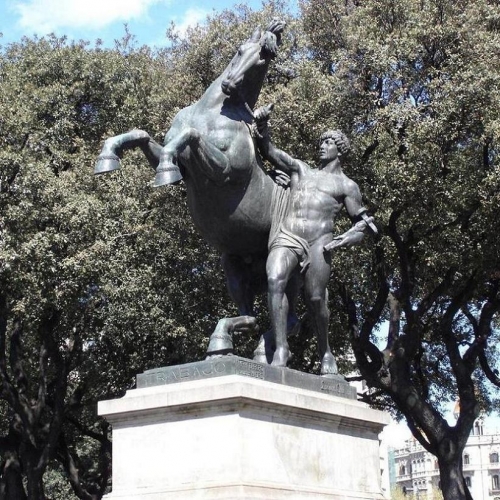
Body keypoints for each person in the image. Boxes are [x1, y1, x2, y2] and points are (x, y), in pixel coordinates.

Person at [254, 104, 377, 375]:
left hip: (320, 242)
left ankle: (326, 351)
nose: (322, 146)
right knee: (275, 280)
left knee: (316, 298)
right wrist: (263, 127)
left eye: (328, 143)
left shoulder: (347, 186)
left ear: (339, 150)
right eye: (321, 142)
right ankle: (281, 348)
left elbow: (362, 225)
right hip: (289, 235)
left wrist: (345, 240)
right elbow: (270, 151)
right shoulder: (301, 169)